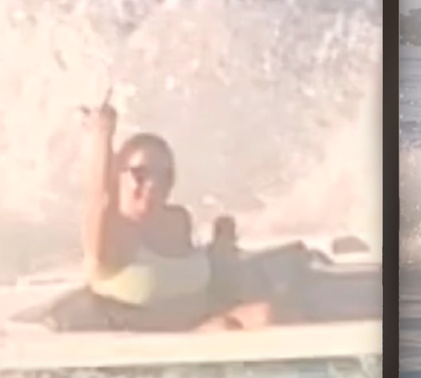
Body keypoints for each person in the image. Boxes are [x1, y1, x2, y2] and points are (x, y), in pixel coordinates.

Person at [63, 95, 273, 332]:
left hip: (198, 325)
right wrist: (102, 134)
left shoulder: (177, 220)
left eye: (164, 176)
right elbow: (99, 199)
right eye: (140, 174)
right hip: (151, 340)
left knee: (265, 315)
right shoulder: (111, 237)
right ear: (117, 175)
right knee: (225, 328)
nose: (153, 185)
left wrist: (220, 248)